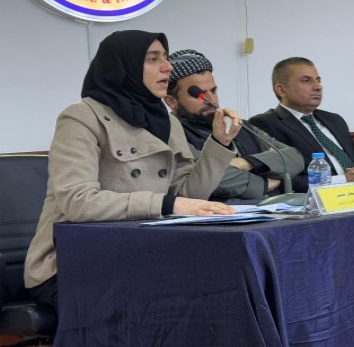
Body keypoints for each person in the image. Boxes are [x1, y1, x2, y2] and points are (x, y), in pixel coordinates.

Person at [24, 31, 237, 311]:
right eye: (153, 59)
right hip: (74, 263)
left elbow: (187, 195)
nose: (167, 67)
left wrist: (219, 143)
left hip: (144, 251)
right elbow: (78, 202)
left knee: (221, 286)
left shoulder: (167, 122)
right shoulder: (81, 117)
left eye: (165, 57)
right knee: (175, 302)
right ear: (123, 67)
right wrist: (166, 204)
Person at [165, 49, 303, 199]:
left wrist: (246, 163)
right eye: (199, 94)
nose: (211, 100)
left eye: (213, 91)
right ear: (171, 101)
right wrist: (264, 183)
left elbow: (294, 158)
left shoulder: (237, 124)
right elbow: (205, 178)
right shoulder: (170, 133)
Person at [249, 57, 354, 192]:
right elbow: (280, 179)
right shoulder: (264, 124)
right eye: (306, 80)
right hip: (315, 198)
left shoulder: (334, 120)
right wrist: (342, 181)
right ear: (282, 90)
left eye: (318, 80)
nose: (318, 87)